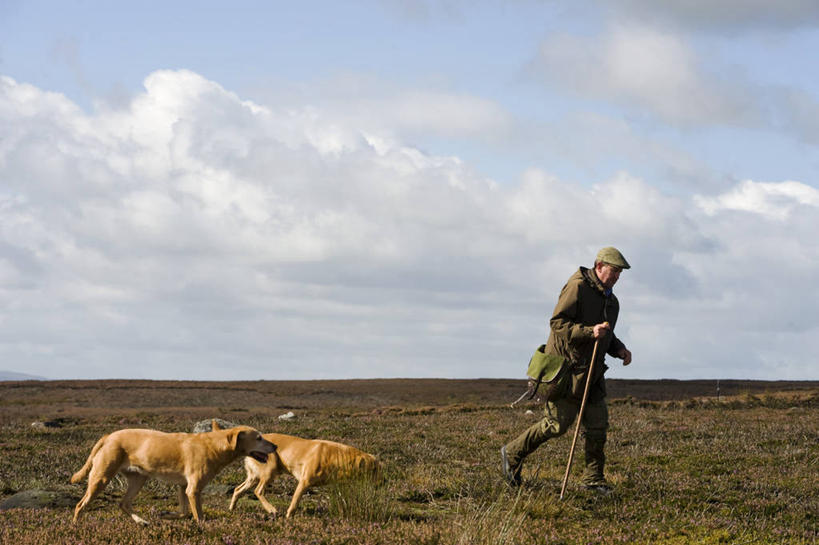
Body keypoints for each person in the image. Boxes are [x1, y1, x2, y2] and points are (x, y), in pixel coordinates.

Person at [501, 247, 632, 493]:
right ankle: (512, 453)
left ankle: (593, 481)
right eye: (613, 271)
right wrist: (588, 331)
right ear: (599, 266)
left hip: (592, 372)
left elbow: (606, 334)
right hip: (566, 372)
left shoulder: (612, 301)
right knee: (556, 425)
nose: (616, 277)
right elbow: (558, 324)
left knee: (597, 425)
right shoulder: (577, 286)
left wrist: (620, 349)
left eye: (619, 274)